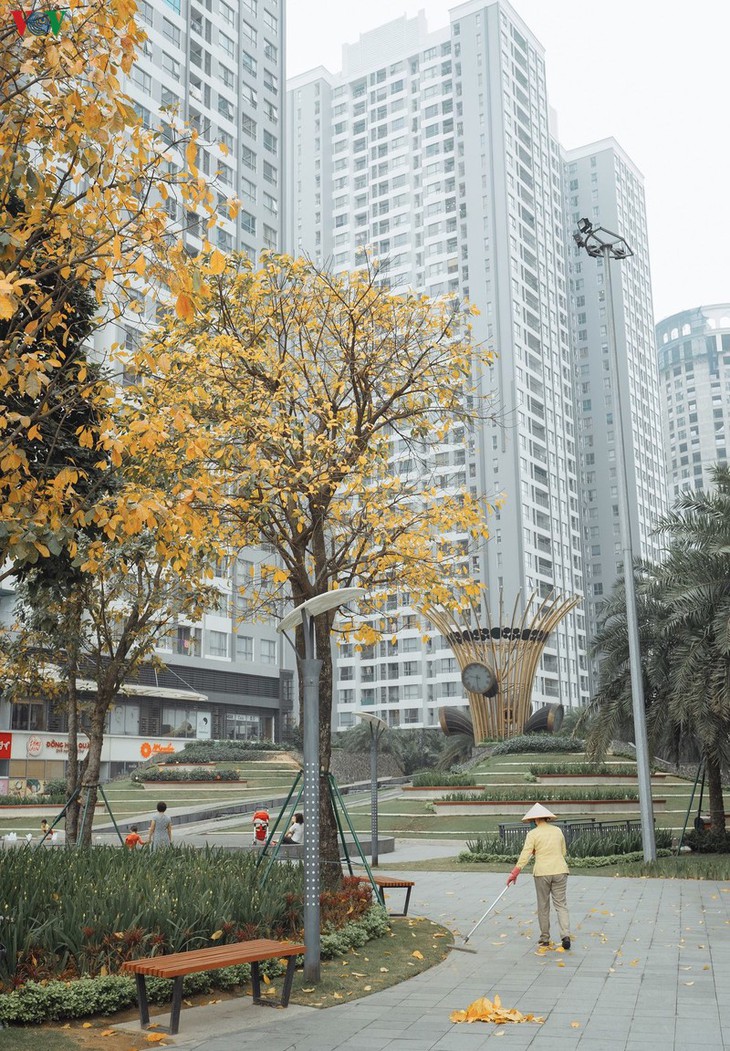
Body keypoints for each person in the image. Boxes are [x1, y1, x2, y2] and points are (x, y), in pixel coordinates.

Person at [506, 802, 571, 950]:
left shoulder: (533, 834)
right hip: (560, 870)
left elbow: (525, 854)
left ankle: (545, 938)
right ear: (546, 818)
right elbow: (563, 852)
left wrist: (515, 872)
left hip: (542, 872)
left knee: (543, 905)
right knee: (561, 905)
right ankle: (565, 936)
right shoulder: (557, 831)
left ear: (535, 819)